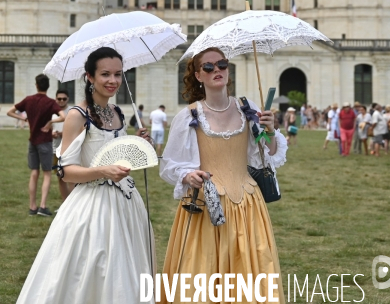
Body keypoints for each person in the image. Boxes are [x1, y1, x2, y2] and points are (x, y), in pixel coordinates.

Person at [16, 47, 154, 304]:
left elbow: (117, 154)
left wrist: (138, 141)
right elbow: (65, 171)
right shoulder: (77, 116)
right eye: (105, 74)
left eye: (118, 74)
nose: (113, 80)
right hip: (93, 206)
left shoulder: (118, 113)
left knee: (128, 271)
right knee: (94, 268)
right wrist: (102, 171)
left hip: (127, 204)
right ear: (89, 77)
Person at [160, 47, 287, 303]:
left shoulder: (247, 108)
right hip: (207, 207)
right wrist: (188, 176)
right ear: (198, 75)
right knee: (203, 274)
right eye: (208, 67)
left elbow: (268, 154)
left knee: (252, 274)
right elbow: (169, 165)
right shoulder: (188, 117)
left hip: (248, 205)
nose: (217, 70)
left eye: (222, 64)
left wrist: (271, 130)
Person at [7, 74, 65, 216]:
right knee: (46, 174)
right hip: (45, 141)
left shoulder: (28, 100)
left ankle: (32, 207)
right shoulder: (50, 102)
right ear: (48, 86)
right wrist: (50, 122)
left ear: (36, 85)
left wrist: (25, 118)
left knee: (34, 173)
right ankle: (43, 207)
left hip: (32, 141)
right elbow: (63, 116)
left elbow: (10, 112)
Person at [52, 89, 73, 204]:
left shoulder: (72, 112)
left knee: (71, 177)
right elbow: (47, 128)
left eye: (64, 99)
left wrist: (63, 133)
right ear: (56, 99)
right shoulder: (52, 112)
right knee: (60, 177)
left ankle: (73, 205)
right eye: (59, 99)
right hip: (55, 149)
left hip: (69, 149)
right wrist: (52, 133)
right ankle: (65, 205)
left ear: (68, 99)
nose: (61, 101)